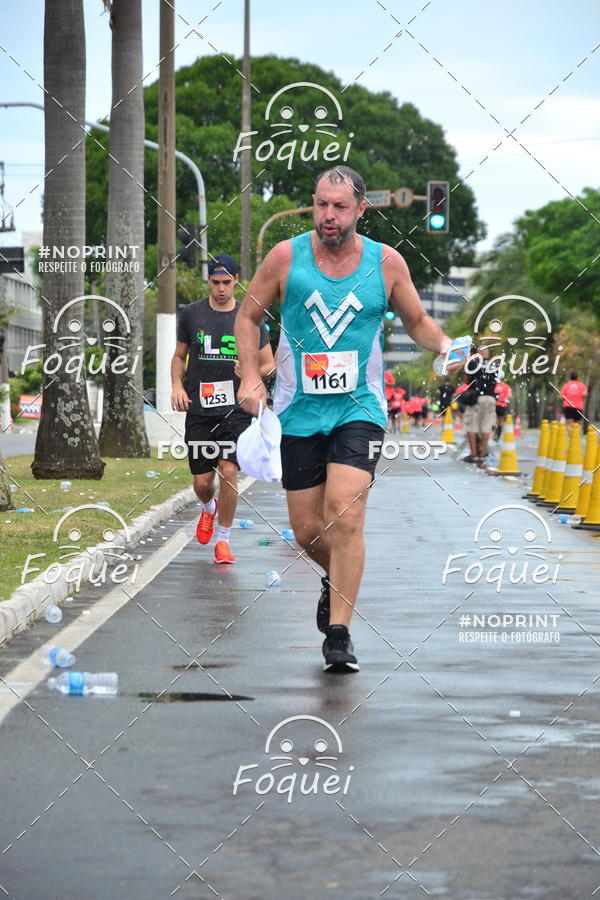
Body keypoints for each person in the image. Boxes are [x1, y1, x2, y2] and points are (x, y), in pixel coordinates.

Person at [235, 166, 458, 673]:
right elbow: (247, 316)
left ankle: (339, 635)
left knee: (346, 512)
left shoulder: (387, 263)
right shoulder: (286, 257)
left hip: (360, 407)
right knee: (308, 530)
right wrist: (251, 376)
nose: (328, 216)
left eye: (339, 207)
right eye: (320, 205)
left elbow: (417, 322)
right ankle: (334, 579)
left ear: (361, 209)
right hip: (297, 411)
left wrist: (446, 346)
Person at [171, 254, 275, 564]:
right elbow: (179, 357)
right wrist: (177, 386)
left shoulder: (249, 317)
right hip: (201, 408)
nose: (220, 289)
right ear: (208, 282)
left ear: (236, 281)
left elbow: (269, 363)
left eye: (226, 283)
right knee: (204, 483)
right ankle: (208, 508)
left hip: (237, 408)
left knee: (229, 471)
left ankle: (224, 540)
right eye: (215, 283)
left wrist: (253, 372)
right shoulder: (191, 314)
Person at [462, 346, 499, 465]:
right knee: (486, 427)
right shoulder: (495, 365)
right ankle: (483, 455)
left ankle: (474, 455)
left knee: (472, 427)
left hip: (476, 398)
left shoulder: (473, 363)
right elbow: (496, 381)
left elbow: (467, 381)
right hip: (490, 398)